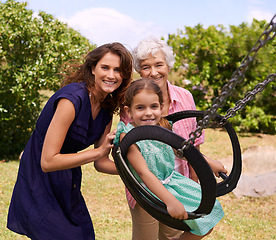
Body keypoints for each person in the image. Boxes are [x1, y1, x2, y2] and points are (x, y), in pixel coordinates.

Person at [7, 42, 133, 240]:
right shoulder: (72, 99)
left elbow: (100, 164)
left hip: (67, 177)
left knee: (83, 235)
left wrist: (139, 173)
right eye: (105, 67)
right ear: (93, 69)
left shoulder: (107, 107)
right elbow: (48, 162)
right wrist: (97, 153)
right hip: (39, 176)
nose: (111, 75)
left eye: (118, 70)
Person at [114, 79, 227, 240]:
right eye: (140, 108)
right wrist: (170, 201)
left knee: (207, 215)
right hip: (148, 192)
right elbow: (143, 173)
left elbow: (182, 150)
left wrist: (208, 163)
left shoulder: (162, 127)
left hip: (173, 183)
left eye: (153, 106)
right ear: (129, 111)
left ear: (161, 107)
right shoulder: (129, 136)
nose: (148, 113)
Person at [119, 36, 206, 239]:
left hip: (178, 184)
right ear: (139, 71)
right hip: (145, 189)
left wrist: (196, 178)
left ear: (168, 66)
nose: (154, 72)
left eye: (159, 64)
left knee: (174, 234)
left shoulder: (185, 97)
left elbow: (192, 145)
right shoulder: (131, 103)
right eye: (146, 66)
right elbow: (128, 153)